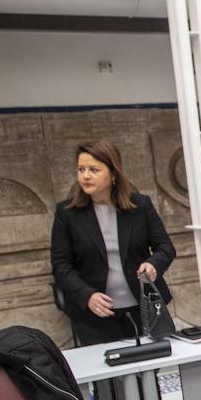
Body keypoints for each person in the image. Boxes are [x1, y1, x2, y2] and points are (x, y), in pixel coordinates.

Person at [50, 140, 175, 346]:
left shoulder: (140, 206)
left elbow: (166, 248)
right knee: (110, 376)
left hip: (145, 309)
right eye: (81, 169)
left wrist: (153, 265)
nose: (86, 176)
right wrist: (87, 295)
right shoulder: (67, 214)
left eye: (94, 169)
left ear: (114, 174)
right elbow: (61, 265)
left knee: (154, 371)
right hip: (95, 317)